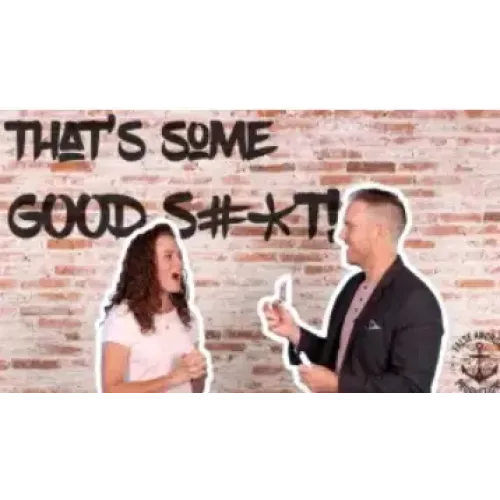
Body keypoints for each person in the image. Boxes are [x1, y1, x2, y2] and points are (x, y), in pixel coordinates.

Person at [261, 186, 446, 399]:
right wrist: (295, 333)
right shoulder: (353, 286)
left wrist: (339, 385)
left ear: (378, 232)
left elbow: (412, 391)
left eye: (350, 226)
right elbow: (337, 356)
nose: (341, 235)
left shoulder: (416, 300)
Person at [96, 219, 210, 396]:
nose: (179, 263)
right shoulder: (123, 317)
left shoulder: (188, 317)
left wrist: (198, 374)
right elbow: (111, 390)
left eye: (179, 256)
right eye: (168, 256)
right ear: (146, 266)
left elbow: (195, 390)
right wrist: (171, 379)